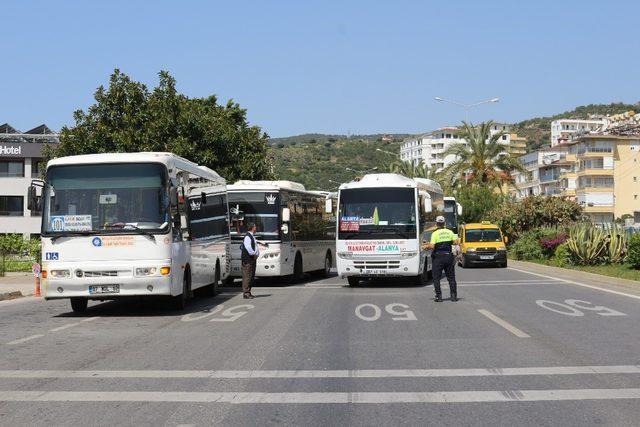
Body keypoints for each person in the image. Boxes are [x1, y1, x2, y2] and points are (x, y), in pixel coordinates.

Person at [424, 216, 459, 302]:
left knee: (436, 278)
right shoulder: (450, 232)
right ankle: (453, 296)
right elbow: (456, 242)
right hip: (448, 256)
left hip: (438, 257)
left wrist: (426, 246)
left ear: (436, 224)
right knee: (451, 278)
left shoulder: (435, 233)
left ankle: (439, 297)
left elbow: (432, 246)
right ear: (444, 223)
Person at [241, 223, 260, 299]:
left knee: (251, 276)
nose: (256, 228)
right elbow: (248, 247)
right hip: (248, 260)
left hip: (251, 260)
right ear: (252, 228)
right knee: (247, 276)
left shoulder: (251, 236)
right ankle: (246, 293)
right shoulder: (248, 237)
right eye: (255, 226)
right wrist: (254, 254)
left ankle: (248, 292)